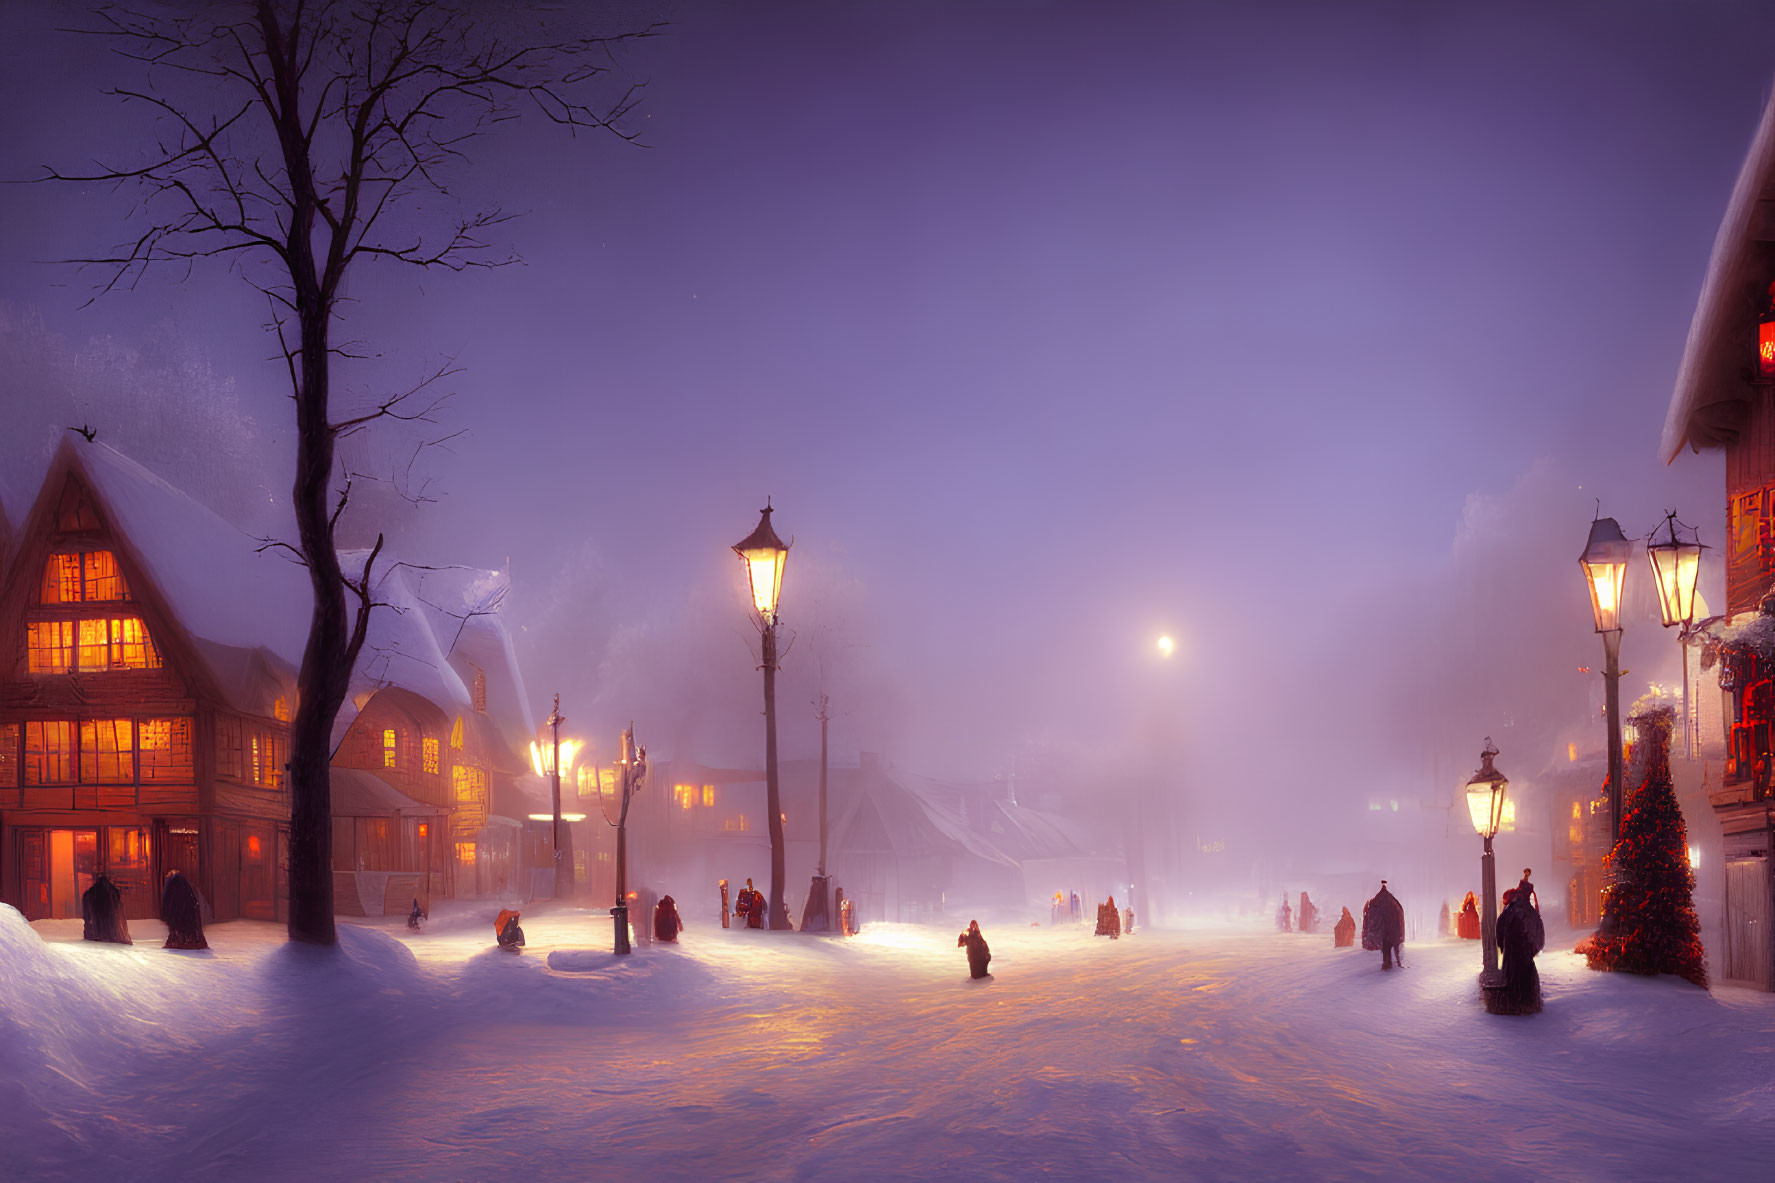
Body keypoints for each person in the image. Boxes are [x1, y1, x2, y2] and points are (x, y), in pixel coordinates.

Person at [1496, 887, 1546, 1014]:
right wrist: (1532, 949)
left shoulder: (1510, 910)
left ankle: (1516, 1004)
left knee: (1513, 978)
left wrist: (1502, 946)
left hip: (1513, 951)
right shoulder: (1527, 910)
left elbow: (1499, 928)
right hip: (1524, 951)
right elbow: (1538, 930)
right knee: (1526, 977)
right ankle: (1528, 1003)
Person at [1361, 880, 1406, 969]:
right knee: (1389, 949)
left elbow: (1374, 917)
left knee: (1387, 949)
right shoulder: (1392, 903)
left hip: (1387, 933)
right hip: (1390, 933)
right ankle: (1391, 963)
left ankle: (1389, 964)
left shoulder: (1380, 903)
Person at [161, 870, 208, 950]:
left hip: (182, 913)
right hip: (184, 913)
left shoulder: (174, 886)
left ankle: (184, 942)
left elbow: (167, 902)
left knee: (181, 926)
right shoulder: (183, 887)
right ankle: (187, 941)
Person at [81, 873, 132, 945]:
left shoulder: (91, 893)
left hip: (100, 916)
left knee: (102, 922)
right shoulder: (112, 892)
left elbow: (87, 916)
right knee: (107, 922)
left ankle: (101, 934)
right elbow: (120, 910)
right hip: (108, 918)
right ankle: (106, 934)